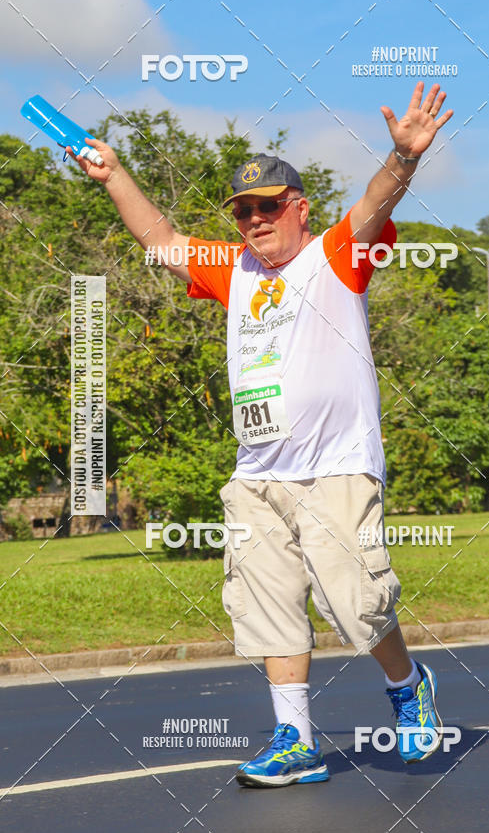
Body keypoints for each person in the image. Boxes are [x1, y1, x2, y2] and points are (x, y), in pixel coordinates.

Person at [70, 81, 454, 788]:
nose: (253, 219)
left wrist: (402, 160)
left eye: (267, 206)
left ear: (299, 208)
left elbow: (374, 205)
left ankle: (408, 684)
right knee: (267, 602)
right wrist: (115, 176)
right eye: (243, 209)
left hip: (335, 466)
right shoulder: (234, 269)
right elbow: (161, 240)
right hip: (258, 473)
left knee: (355, 603)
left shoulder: (335, 256)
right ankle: (295, 741)